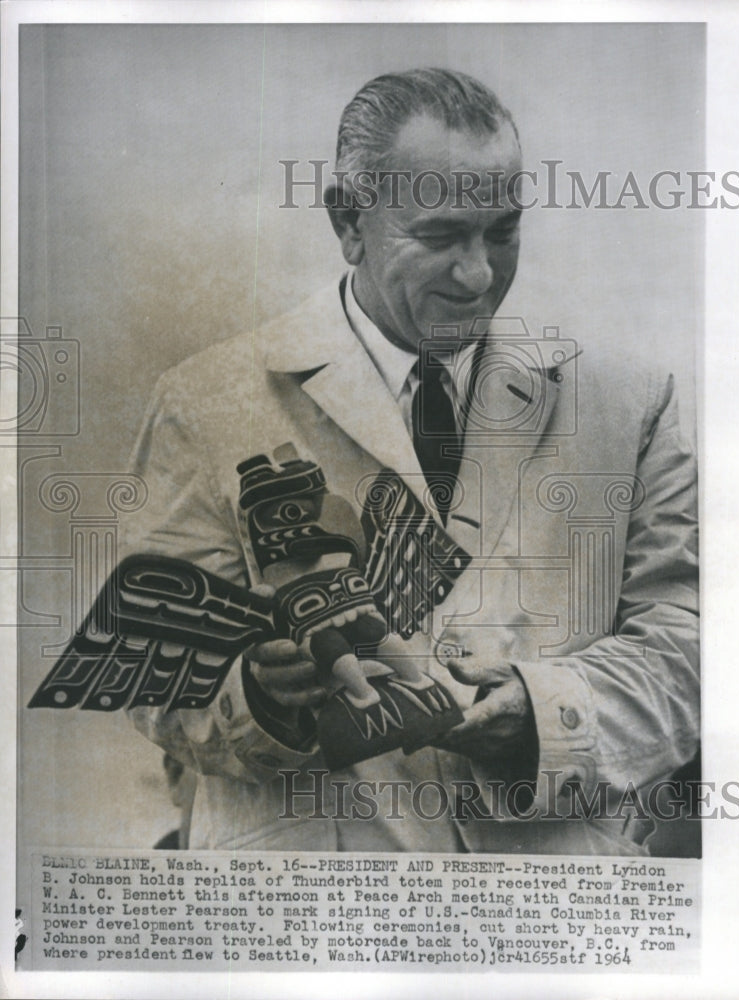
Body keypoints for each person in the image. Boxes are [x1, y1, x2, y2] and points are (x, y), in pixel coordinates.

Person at [125, 68, 699, 854]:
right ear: (349, 222)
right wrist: (259, 693)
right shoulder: (205, 401)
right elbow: (151, 672)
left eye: (502, 232)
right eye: (438, 237)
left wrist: (548, 713)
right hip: (309, 940)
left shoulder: (630, 402)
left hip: (550, 934)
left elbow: (691, 647)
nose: (478, 275)